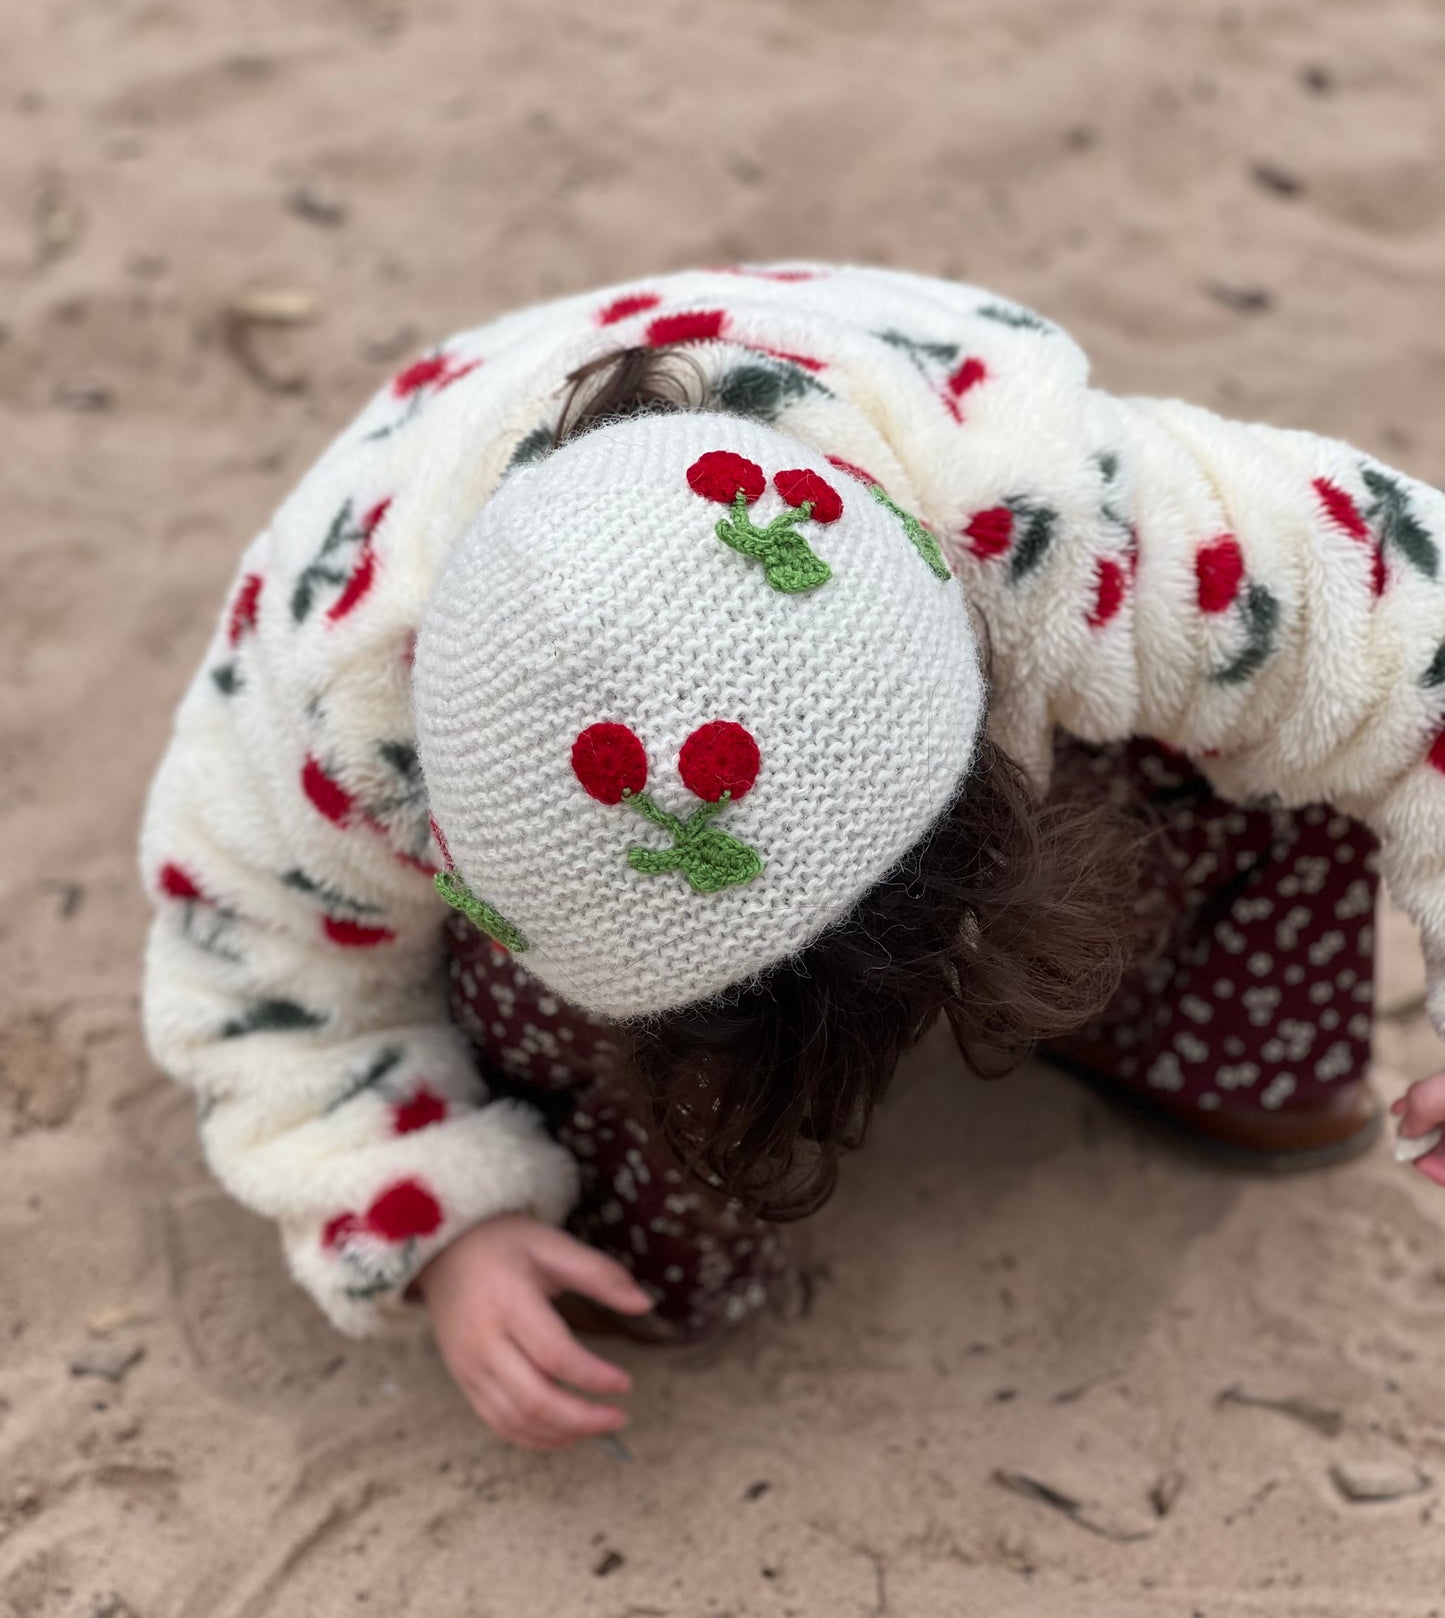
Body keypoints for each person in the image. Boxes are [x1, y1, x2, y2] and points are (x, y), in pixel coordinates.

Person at [140, 264, 1445, 1452]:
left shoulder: (1028, 512)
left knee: (1266, 704)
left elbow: (1399, 634)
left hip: (962, 630)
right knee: (641, 1251)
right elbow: (255, 978)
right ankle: (666, 1136)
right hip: (532, 827)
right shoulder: (330, 733)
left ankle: (1201, 1045)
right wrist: (432, 1218)